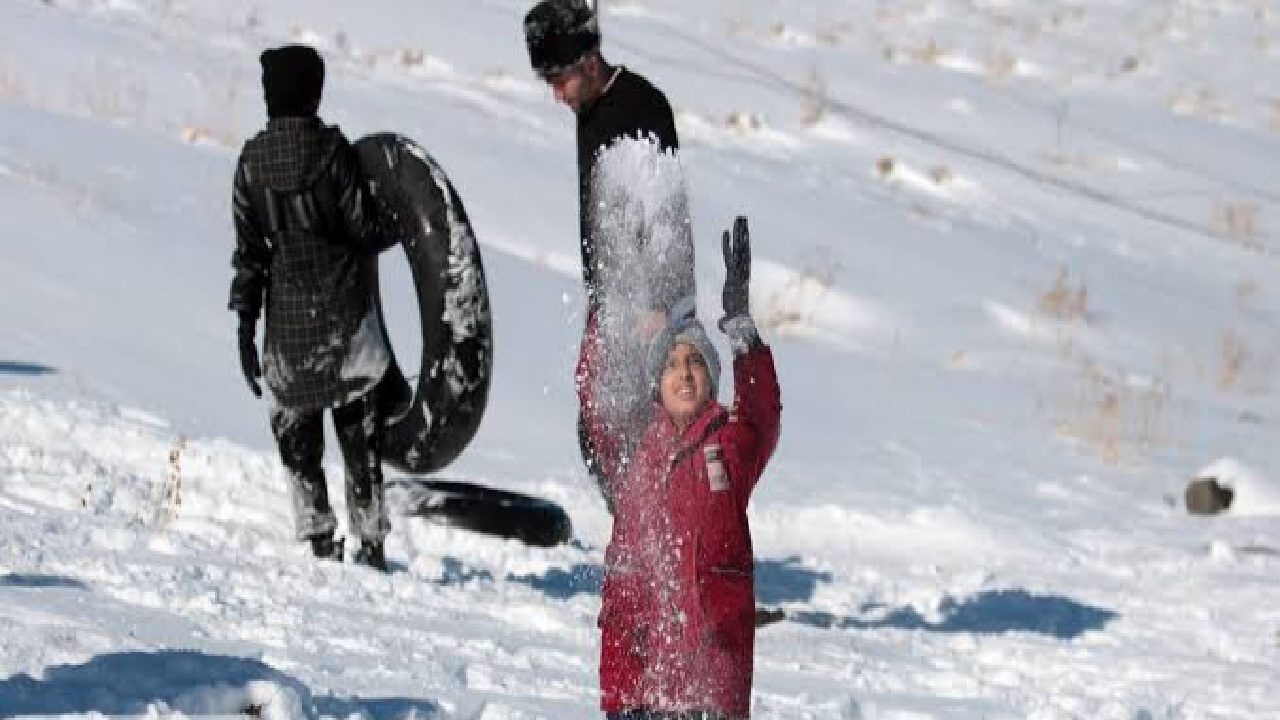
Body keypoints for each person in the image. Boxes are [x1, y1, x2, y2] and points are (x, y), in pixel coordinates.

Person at [582, 217, 781, 719]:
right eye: (671, 365)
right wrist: (610, 306)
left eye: (695, 363)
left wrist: (742, 330)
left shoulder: (729, 443)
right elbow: (593, 396)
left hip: (709, 682)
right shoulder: (632, 449)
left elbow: (761, 416)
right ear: (657, 384)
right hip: (638, 680)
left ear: (711, 379)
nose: (684, 373)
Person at [228, 44, 398, 571]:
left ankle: (318, 539)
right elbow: (365, 231)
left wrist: (245, 325)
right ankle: (369, 544)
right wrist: (401, 221)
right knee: (359, 444)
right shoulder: (334, 153)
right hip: (346, 328)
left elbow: (250, 256)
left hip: (286, 335)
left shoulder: (251, 165)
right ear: (315, 93)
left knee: (299, 445)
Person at [523, 0, 695, 511]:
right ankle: (640, 538)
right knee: (600, 432)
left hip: (650, 308)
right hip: (611, 302)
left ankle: (664, 549)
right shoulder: (591, 108)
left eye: (559, 80)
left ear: (589, 63)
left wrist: (660, 305)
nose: (556, 96)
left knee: (649, 434)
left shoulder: (640, 107)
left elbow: (665, 209)